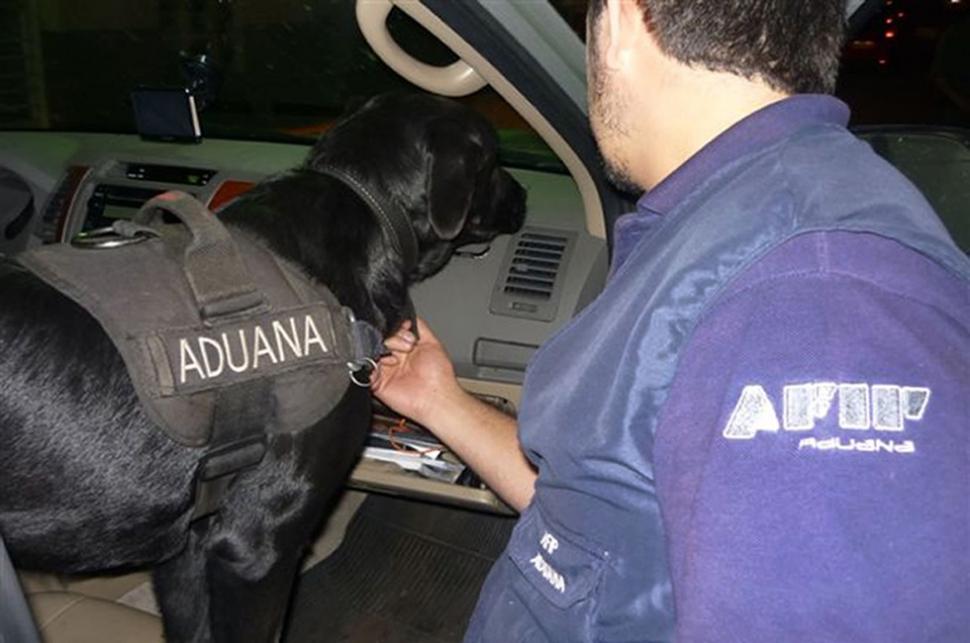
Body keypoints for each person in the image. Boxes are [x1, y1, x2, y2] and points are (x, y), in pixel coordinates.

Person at [374, 0, 970, 641]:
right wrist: (438, 400)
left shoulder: (816, 298)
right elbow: (606, 524)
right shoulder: (722, 215)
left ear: (622, 22)